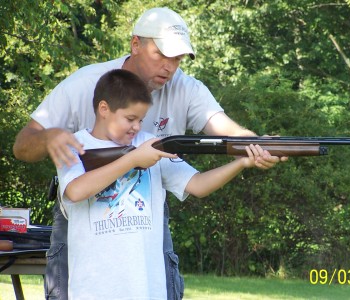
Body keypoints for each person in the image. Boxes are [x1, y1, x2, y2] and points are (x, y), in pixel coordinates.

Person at [13, 7, 284, 300]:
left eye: (178, 59)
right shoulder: (83, 84)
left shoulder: (185, 92)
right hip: (83, 225)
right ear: (136, 44)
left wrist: (254, 149)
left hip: (146, 217)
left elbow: (227, 138)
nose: (170, 66)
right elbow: (24, 147)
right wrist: (50, 137)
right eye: (162, 54)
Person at [57, 68, 262, 299]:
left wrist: (241, 163)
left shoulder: (151, 144)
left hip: (149, 289)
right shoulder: (72, 146)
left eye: (141, 120)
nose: (137, 127)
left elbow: (198, 185)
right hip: (93, 290)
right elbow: (75, 191)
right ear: (104, 109)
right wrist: (133, 159)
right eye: (130, 119)